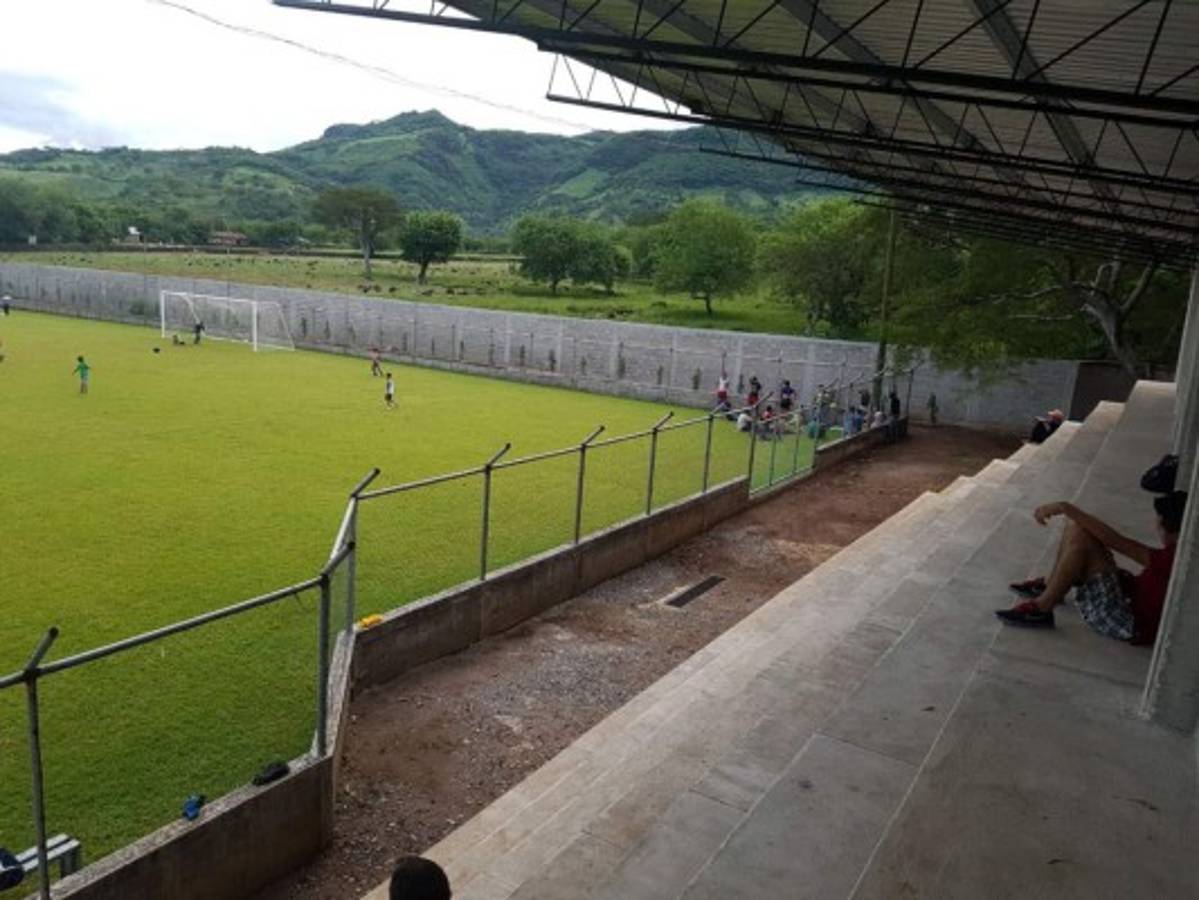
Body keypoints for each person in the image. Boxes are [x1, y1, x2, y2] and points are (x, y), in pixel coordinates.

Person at [996, 491, 1187, 645]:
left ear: (1170, 528)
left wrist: (1065, 507)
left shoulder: (1173, 559)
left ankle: (1042, 608)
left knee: (1080, 540)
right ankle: (1052, 587)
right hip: (1129, 595)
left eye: (1158, 523)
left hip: (1128, 620)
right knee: (1079, 528)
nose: (1156, 527)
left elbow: (1116, 541)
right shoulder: (1180, 553)